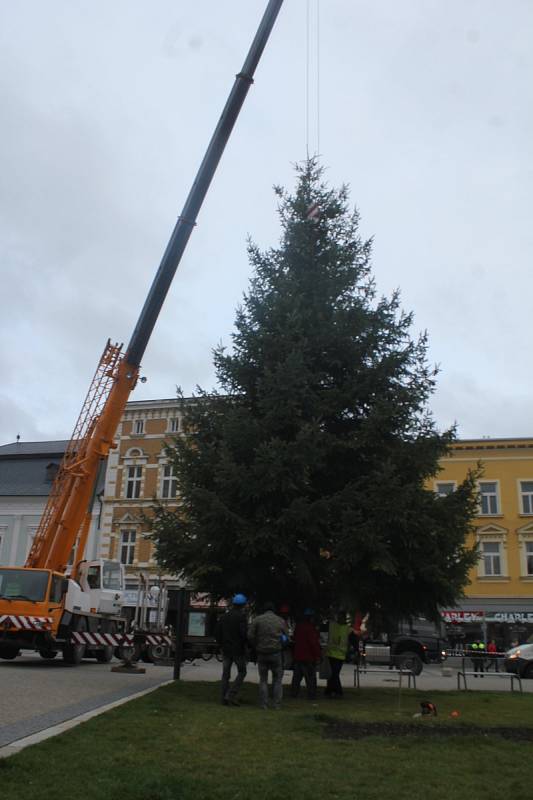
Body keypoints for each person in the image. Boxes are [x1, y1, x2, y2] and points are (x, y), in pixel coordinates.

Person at [248, 601, 288, 709]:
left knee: (263, 679)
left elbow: (250, 636)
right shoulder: (280, 621)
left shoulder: (257, 620)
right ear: (273, 610)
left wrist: (256, 646)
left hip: (262, 653)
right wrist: (281, 646)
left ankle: (263, 704)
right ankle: (277, 704)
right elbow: (286, 638)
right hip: (276, 653)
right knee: (277, 680)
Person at [216, 593, 248, 706]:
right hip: (238, 650)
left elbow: (218, 634)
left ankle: (223, 698)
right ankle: (231, 695)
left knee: (225, 674)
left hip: (226, 650)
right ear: (243, 605)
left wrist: (221, 645)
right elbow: (244, 634)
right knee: (242, 672)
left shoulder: (223, 617)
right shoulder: (242, 617)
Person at [290, 609, 321, 700]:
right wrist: (318, 655)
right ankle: (311, 695)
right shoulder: (311, 628)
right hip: (308, 657)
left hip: (298, 656)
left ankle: (294, 694)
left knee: (296, 678)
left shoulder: (299, 627)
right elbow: (313, 643)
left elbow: (295, 639)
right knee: (310, 678)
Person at [324, 611, 350, 698]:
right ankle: (334, 691)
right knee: (334, 674)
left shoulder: (344, 628)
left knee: (334, 674)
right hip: (333, 654)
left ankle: (333, 691)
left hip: (338, 655)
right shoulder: (336, 626)